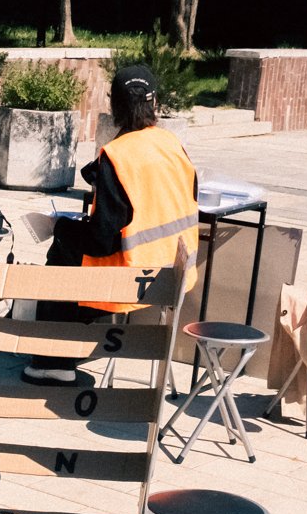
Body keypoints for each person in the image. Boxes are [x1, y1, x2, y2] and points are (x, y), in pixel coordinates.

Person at [22, 64, 198, 385]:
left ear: (114, 106)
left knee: (61, 251)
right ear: (153, 103)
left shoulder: (117, 155)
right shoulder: (173, 145)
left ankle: (53, 360)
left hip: (133, 278)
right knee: (71, 246)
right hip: (175, 275)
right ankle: (64, 345)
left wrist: (61, 227)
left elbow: (102, 241)